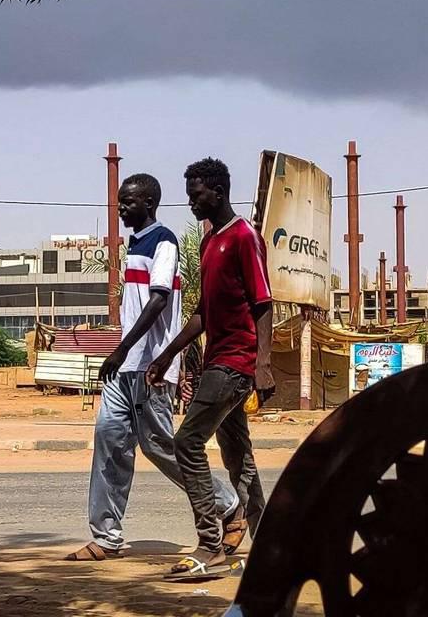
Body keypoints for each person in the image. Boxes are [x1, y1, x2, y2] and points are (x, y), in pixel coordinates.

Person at [66, 173, 238, 561]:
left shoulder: (164, 241)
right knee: (109, 442)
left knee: (160, 447)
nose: (122, 208)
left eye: (128, 202)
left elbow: (159, 300)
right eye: (119, 202)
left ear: (148, 203)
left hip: (151, 367)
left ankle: (227, 504)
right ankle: (106, 535)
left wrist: (122, 349)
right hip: (125, 369)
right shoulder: (135, 244)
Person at [148, 157, 273, 577]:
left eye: (196, 195)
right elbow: (202, 313)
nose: (190, 203)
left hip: (237, 361)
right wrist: (168, 353)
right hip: (217, 359)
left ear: (218, 193)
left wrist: (264, 365)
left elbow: (263, 304)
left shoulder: (244, 236)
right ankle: (269, 545)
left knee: (186, 442)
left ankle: (209, 542)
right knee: (238, 454)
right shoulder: (208, 242)